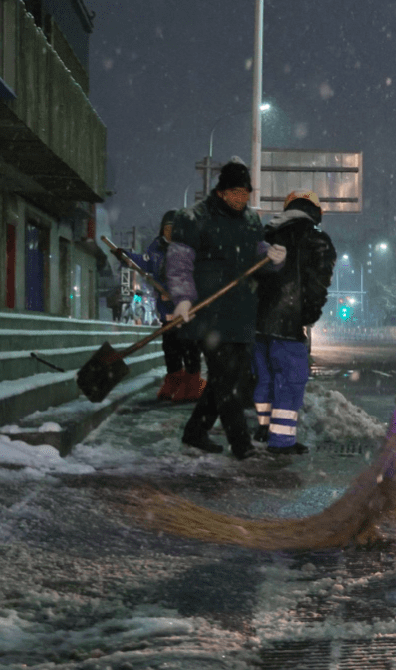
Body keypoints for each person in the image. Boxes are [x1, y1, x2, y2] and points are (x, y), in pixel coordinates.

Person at [165, 157, 287, 459]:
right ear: (221, 191)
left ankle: (195, 431)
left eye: (245, 194)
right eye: (235, 193)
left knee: (233, 379)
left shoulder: (250, 220)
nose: (240, 199)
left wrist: (273, 257)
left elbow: (256, 255)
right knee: (224, 380)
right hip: (209, 313)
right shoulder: (193, 218)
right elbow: (180, 264)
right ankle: (241, 445)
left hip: (241, 311)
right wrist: (182, 299)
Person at [252, 190, 337, 455]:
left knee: (263, 378)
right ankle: (282, 442)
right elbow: (317, 284)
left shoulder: (266, 235)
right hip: (288, 323)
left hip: (256, 323)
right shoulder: (317, 239)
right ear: (316, 211)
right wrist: (307, 315)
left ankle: (262, 430)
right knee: (290, 381)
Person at [112, 210, 205, 402]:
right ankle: (174, 380)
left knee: (189, 348)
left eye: (175, 229)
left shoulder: (190, 249)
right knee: (170, 349)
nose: (171, 232)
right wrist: (125, 256)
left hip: (187, 312)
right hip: (167, 314)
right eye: (168, 228)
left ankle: (192, 384)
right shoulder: (155, 249)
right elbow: (142, 263)